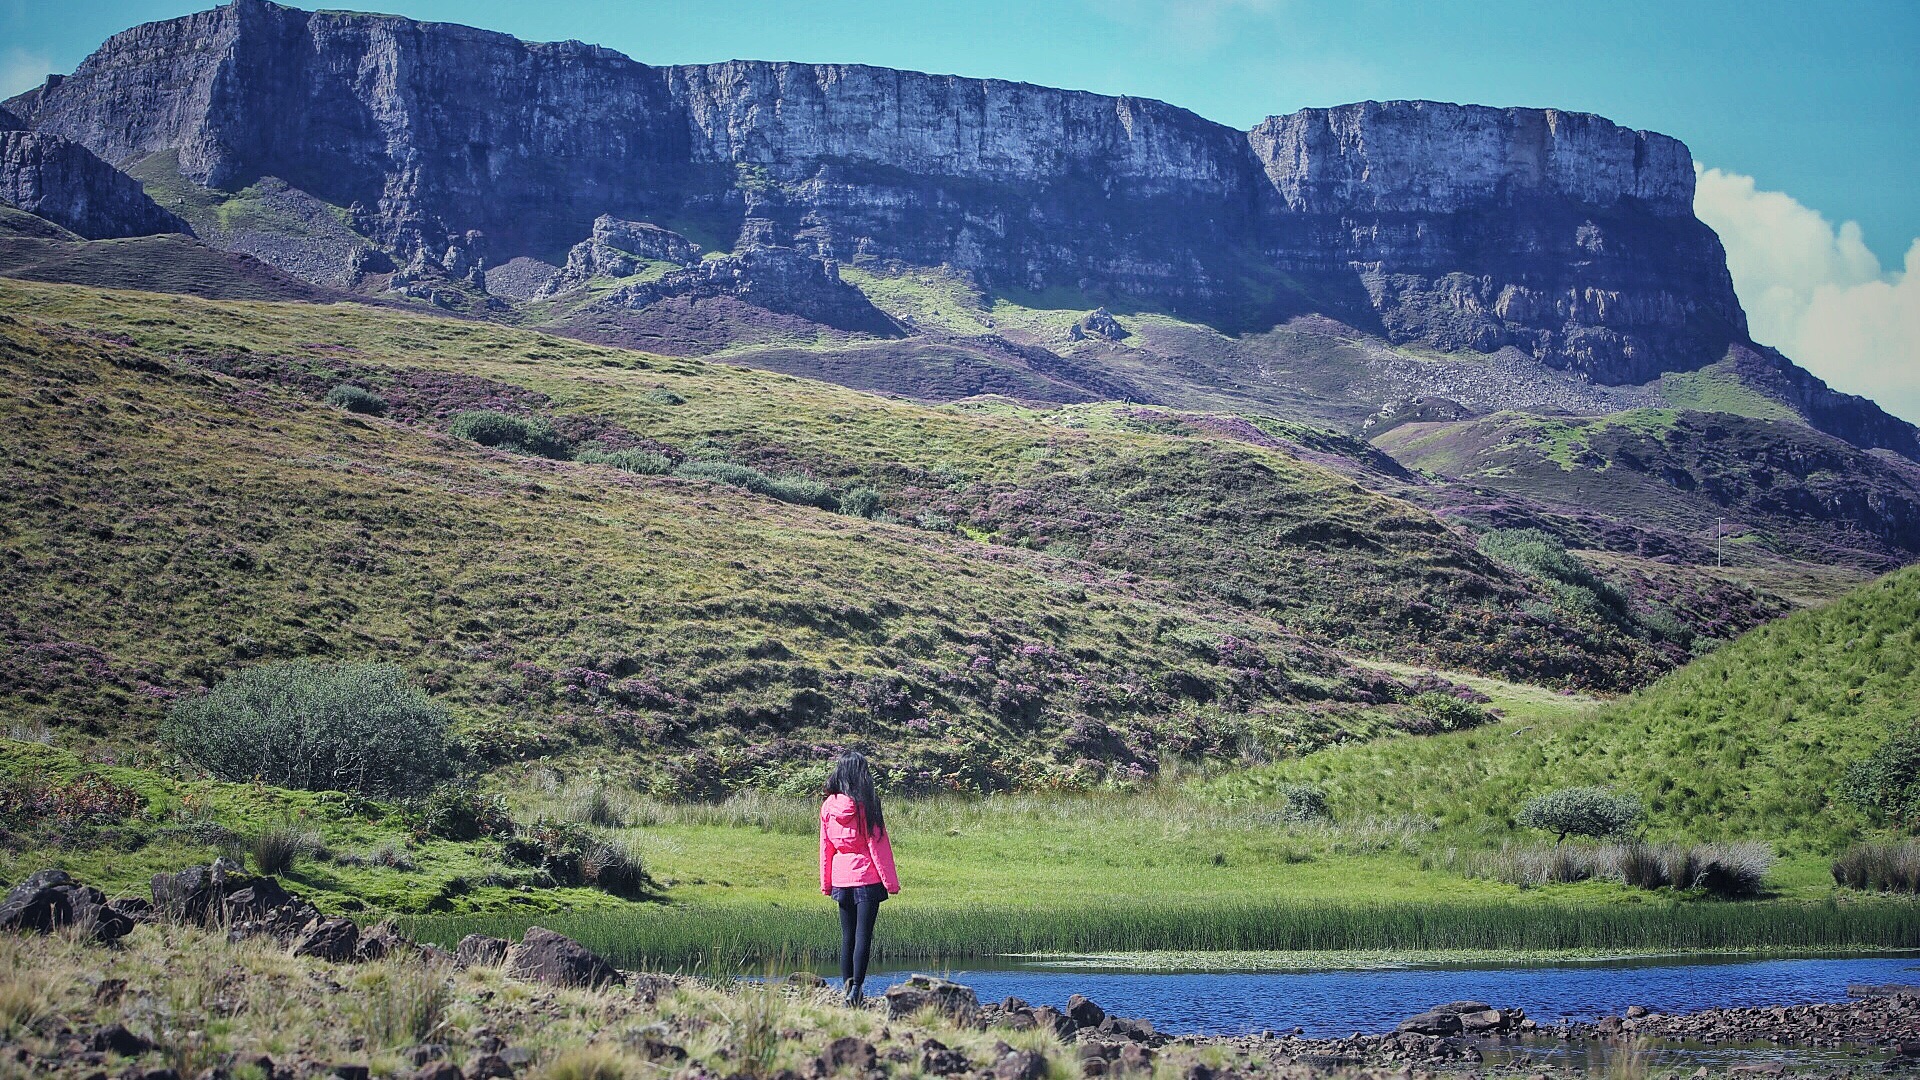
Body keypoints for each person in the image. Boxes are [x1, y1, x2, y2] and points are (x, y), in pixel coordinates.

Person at [819, 751, 899, 1006]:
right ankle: (857, 989)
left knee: (847, 936)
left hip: (842, 877)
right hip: (866, 876)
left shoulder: (828, 806)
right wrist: (891, 883)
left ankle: (846, 989)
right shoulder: (866, 805)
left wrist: (826, 882)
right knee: (864, 935)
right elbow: (877, 846)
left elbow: (825, 847)